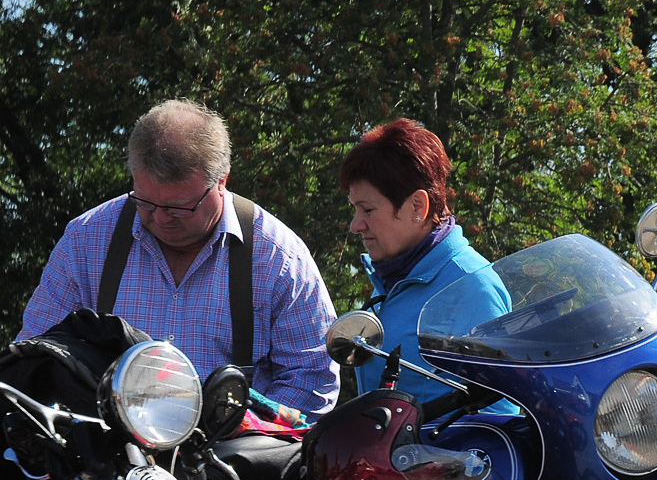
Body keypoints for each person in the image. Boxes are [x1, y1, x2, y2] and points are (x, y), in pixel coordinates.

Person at [21, 99, 339, 415]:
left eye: (179, 207)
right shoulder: (86, 240)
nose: (161, 219)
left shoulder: (278, 258)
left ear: (222, 181)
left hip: (236, 443)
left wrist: (244, 429)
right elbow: (36, 356)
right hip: (106, 440)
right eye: (145, 202)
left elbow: (311, 381)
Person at [339, 119, 508, 404]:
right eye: (355, 210)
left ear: (418, 206)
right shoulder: (395, 274)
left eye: (367, 210)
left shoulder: (473, 288)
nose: (356, 225)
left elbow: (497, 416)